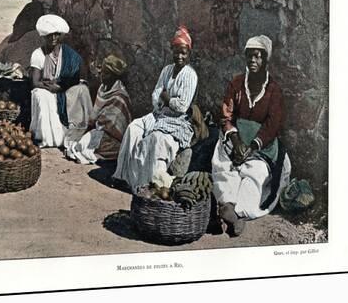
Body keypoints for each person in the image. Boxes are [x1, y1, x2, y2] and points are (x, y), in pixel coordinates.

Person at [211, 35, 291, 236]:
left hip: (262, 145)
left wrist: (252, 147)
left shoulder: (273, 91)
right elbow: (225, 116)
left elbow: (273, 125)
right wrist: (237, 143)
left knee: (255, 173)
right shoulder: (237, 84)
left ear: (265, 60)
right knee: (225, 167)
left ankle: (237, 214)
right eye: (249, 56)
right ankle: (227, 205)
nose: (253, 61)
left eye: (258, 57)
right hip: (236, 139)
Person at [112, 26, 198, 193]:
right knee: (133, 128)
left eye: (183, 53)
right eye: (176, 52)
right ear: (172, 51)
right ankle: (124, 176)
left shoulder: (190, 75)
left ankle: (150, 183)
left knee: (157, 139)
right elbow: (156, 93)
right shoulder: (167, 70)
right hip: (159, 114)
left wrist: (166, 99)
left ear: (189, 54)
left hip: (177, 121)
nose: (179, 56)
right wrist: (162, 100)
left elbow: (182, 106)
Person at [29, 14, 93, 148]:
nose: (53, 38)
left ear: (61, 35)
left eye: (56, 34)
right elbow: (35, 82)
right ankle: (50, 138)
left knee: (82, 90)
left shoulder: (68, 53)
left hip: (63, 87)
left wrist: (61, 86)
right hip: (46, 88)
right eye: (50, 35)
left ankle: (78, 131)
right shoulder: (38, 54)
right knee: (41, 95)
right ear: (44, 36)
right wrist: (49, 88)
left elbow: (76, 75)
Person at [64, 55, 132, 164]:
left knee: (87, 145)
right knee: (81, 142)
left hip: (113, 137)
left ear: (114, 76)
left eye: (106, 74)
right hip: (99, 130)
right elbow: (96, 114)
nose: (102, 76)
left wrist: (98, 127)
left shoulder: (120, 97)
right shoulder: (102, 89)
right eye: (102, 72)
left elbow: (116, 125)